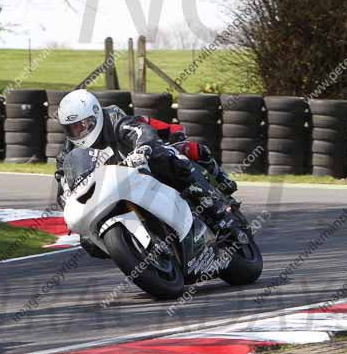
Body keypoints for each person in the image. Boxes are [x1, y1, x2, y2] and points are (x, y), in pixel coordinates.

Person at [54, 89, 237, 258]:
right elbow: (63, 179)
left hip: (144, 160)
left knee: (172, 157)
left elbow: (141, 131)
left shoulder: (114, 120)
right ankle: (135, 250)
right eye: (71, 128)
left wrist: (142, 149)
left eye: (82, 125)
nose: (78, 132)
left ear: (95, 115)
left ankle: (216, 207)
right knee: (88, 241)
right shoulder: (70, 149)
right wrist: (68, 200)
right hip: (115, 186)